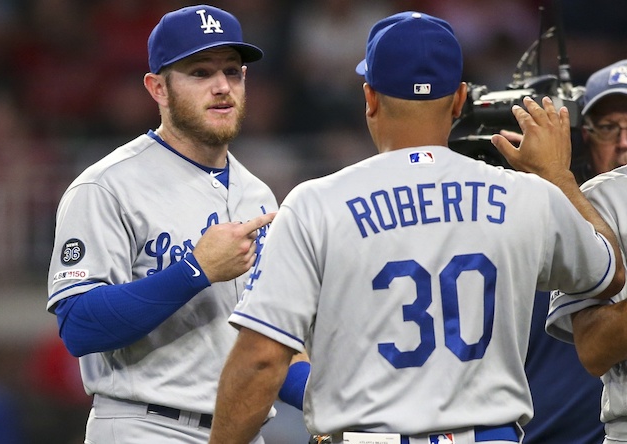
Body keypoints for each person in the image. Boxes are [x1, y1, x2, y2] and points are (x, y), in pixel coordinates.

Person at [207, 11, 625, 444]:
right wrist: (557, 176)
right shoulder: (527, 196)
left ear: (369, 97)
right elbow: (609, 269)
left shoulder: (316, 204)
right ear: (461, 99)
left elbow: (260, 361)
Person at [46, 5, 281, 443]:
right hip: (144, 424)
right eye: (199, 72)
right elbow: (77, 325)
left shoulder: (258, 195)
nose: (222, 86)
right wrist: (194, 271)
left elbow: (262, 342)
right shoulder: (106, 186)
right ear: (158, 88)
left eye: (233, 71)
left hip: (245, 430)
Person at [523, 59, 627, 443]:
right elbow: (595, 348)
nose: (624, 142)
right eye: (608, 127)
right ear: (583, 135)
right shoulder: (561, 209)